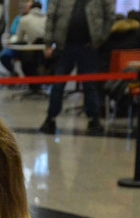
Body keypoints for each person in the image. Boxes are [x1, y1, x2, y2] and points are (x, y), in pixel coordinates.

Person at [38, 0, 114, 134]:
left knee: (90, 85)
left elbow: (109, 16)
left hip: (89, 46)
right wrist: (48, 42)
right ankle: (50, 117)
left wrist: (100, 39)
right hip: (64, 46)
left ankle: (94, 118)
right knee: (57, 85)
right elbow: (51, 16)